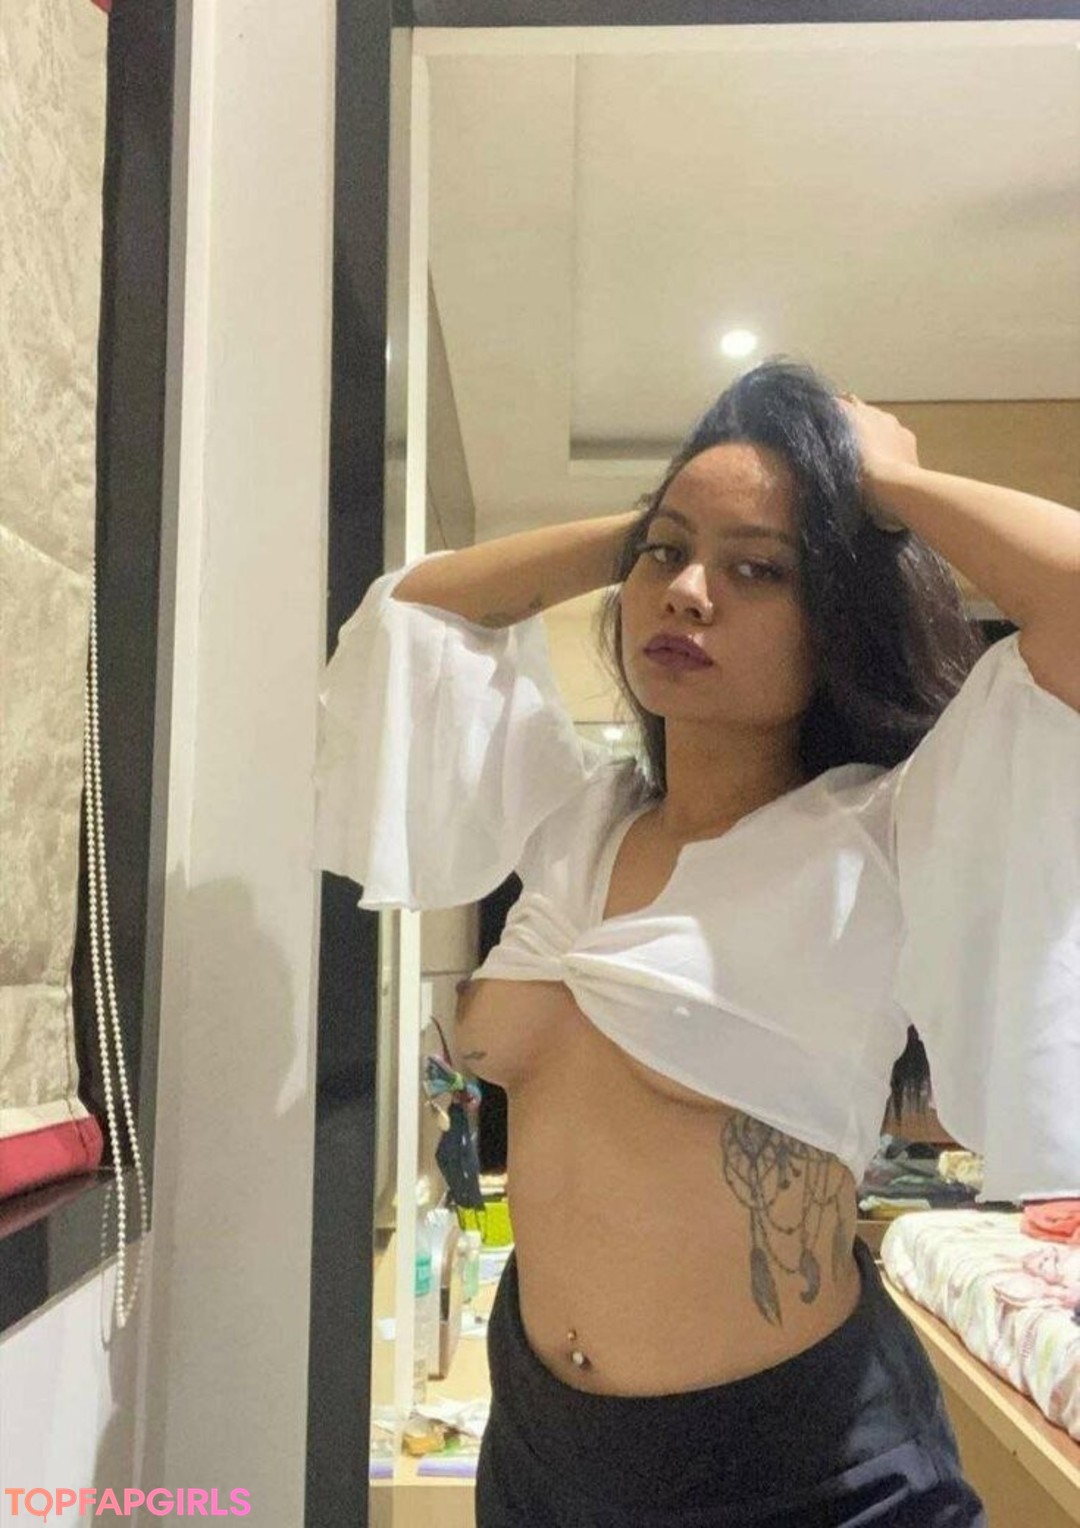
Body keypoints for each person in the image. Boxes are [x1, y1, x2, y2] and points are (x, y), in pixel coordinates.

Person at [313, 358, 1080, 1526]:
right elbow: (418, 613)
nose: (686, 594)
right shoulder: (574, 822)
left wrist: (880, 480)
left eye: (759, 569)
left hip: (797, 1469)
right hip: (540, 1449)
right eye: (665, 557)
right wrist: (671, 518)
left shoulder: (881, 833)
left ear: (837, 614)